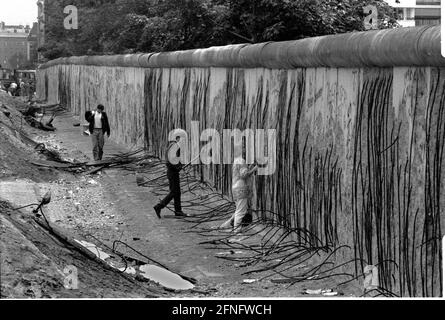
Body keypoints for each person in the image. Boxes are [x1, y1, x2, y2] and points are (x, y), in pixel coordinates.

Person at [220, 156, 259, 233]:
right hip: (241, 188)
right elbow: (244, 175)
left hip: (236, 188)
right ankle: (237, 230)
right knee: (241, 211)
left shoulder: (237, 160)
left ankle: (226, 225)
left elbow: (242, 172)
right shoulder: (241, 161)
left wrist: (250, 166)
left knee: (239, 209)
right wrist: (255, 169)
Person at [153, 138, 187, 219]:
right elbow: (172, 161)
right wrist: (179, 166)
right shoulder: (174, 147)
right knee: (174, 192)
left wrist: (179, 165)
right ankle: (159, 206)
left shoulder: (172, 146)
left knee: (177, 192)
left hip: (172, 171)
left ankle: (178, 211)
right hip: (172, 172)